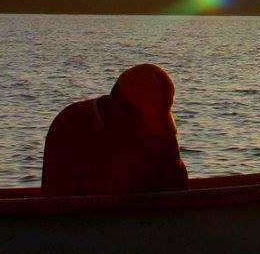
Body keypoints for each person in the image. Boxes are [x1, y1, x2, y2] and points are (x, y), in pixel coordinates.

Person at [42, 63, 189, 195]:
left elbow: (178, 190)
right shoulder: (71, 124)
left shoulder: (160, 133)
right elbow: (58, 201)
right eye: (143, 120)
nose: (150, 131)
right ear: (120, 109)